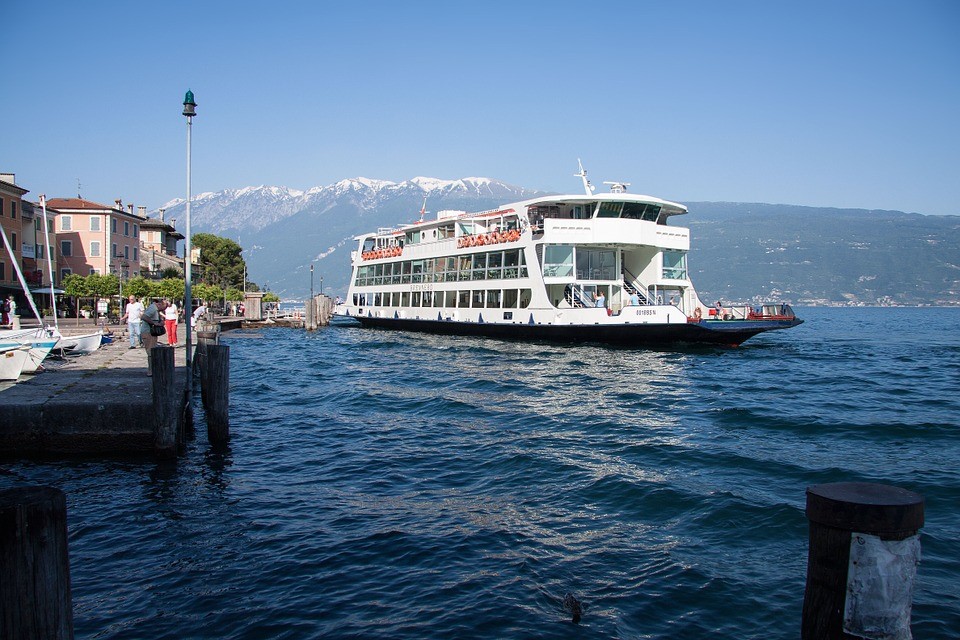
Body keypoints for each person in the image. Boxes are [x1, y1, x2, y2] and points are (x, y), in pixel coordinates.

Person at [140, 298, 169, 376]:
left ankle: (153, 369)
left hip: (151, 333)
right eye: (163, 308)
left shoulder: (155, 309)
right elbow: (144, 317)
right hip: (148, 333)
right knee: (151, 352)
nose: (162, 310)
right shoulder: (153, 309)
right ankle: (151, 371)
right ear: (159, 304)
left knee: (152, 351)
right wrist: (154, 323)